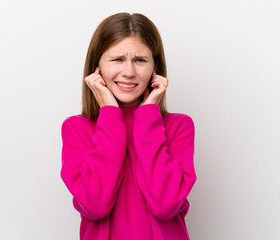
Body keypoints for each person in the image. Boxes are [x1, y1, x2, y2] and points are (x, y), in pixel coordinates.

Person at [61, 12, 196, 240]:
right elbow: (95, 205)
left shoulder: (179, 126)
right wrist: (110, 116)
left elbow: (165, 204)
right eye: (117, 59)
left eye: (140, 60)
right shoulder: (76, 128)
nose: (129, 72)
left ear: (155, 68)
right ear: (97, 67)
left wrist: (148, 116)